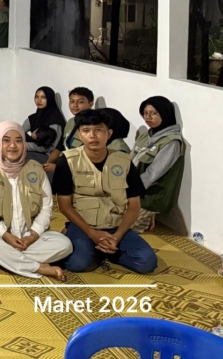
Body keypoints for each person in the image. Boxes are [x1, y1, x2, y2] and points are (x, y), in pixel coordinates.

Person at [53, 110, 157, 274]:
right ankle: (92, 246)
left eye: (98, 130)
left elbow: (134, 205)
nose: (93, 136)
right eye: (86, 131)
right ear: (79, 135)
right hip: (83, 226)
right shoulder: (67, 161)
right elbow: (64, 206)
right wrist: (92, 233)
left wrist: (117, 236)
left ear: (109, 134)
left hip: (116, 227)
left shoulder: (124, 161)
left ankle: (105, 250)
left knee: (147, 262)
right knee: (77, 264)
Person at [0, 122, 72, 280]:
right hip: (0, 236)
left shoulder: (36, 170)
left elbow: (46, 208)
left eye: (18, 140)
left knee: (65, 244)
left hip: (30, 237)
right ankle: (39, 267)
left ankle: (2, 259)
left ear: (24, 143)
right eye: (6, 140)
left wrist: (32, 236)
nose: (13, 145)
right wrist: (5, 235)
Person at [131, 96, 185, 233]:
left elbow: (152, 174)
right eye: (145, 113)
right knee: (99, 215)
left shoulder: (172, 142)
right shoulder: (145, 135)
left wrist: (128, 192)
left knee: (116, 227)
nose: (148, 117)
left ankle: (147, 215)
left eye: (154, 113)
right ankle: (144, 219)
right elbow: (129, 161)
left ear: (165, 114)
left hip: (149, 196)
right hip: (131, 190)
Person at [45, 87, 94, 173]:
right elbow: (60, 147)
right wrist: (47, 164)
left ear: (90, 104)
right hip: (66, 164)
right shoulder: (71, 122)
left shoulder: (93, 125)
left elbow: (89, 157)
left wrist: (59, 168)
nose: (75, 105)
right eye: (72, 101)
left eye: (80, 102)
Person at [22, 87, 65, 166]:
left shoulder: (55, 121)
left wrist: (28, 146)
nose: (39, 100)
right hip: (33, 152)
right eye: (37, 97)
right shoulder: (32, 118)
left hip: (48, 157)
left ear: (50, 99)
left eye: (43, 97)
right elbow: (19, 132)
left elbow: (52, 146)